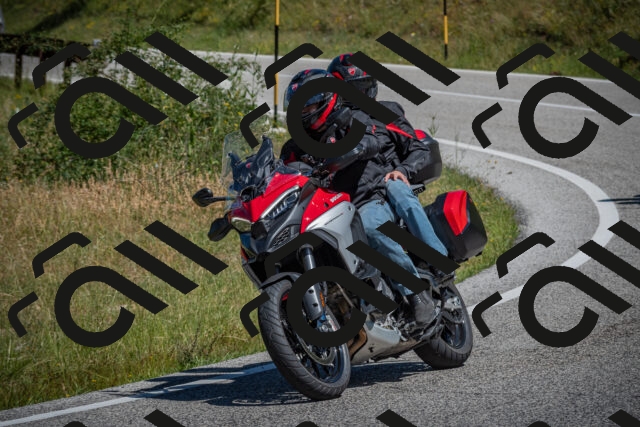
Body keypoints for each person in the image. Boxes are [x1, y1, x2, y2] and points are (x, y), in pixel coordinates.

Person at [281, 69, 440, 329]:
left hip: (366, 199)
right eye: (299, 107)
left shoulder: (352, 119)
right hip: (325, 211)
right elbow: (284, 175)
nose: (303, 111)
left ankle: (416, 293)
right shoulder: (292, 148)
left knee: (370, 227)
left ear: (326, 99)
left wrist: (354, 148)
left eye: (308, 105)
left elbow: (369, 140)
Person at [326, 53, 448, 260]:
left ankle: (437, 258)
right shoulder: (332, 127)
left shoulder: (386, 112)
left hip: (388, 188)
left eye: (362, 87)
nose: (358, 94)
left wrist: (402, 170)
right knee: (366, 226)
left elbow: (419, 149)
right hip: (358, 200)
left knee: (396, 188)